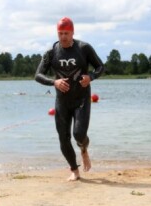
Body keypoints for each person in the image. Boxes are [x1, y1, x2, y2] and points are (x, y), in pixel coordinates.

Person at [35, 17, 105, 181]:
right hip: (62, 102)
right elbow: (37, 75)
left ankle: (83, 148)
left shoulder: (83, 48)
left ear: (73, 32)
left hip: (81, 100)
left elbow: (101, 67)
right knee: (63, 138)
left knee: (79, 134)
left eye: (66, 33)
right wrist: (54, 82)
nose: (63, 37)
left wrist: (91, 77)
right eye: (60, 33)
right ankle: (74, 170)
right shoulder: (51, 52)